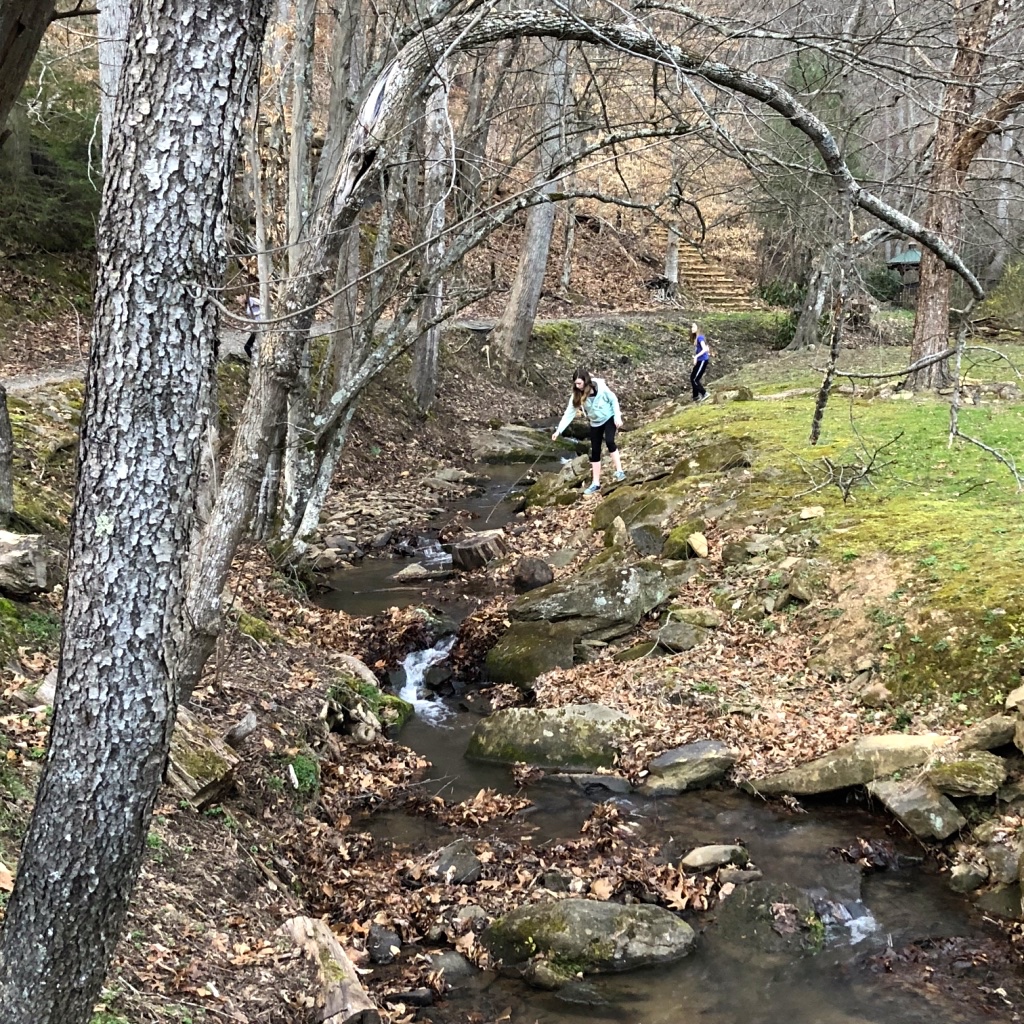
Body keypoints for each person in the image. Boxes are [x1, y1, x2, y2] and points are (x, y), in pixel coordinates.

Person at [551, 367, 625, 496]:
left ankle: (619, 471)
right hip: (595, 422)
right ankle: (595, 483)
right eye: (575, 384)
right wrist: (558, 431)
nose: (577, 386)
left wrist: (617, 417)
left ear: (586, 381)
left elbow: (613, 400)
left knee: (609, 441)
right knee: (595, 451)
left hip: (609, 417)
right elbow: (569, 414)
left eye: (579, 383)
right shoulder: (577, 395)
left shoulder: (600, 388)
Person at [690, 322, 710, 403]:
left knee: (695, 379)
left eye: (694, 327)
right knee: (692, 377)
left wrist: (696, 357)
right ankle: (695, 396)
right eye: (692, 327)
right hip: (700, 360)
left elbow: (704, 349)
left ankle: (704, 393)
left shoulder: (700, 338)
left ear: (698, 328)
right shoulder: (697, 338)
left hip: (703, 360)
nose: (692, 328)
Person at [244, 294, 262, 360]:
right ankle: (254, 361)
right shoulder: (247, 305)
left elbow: (262, 304)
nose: (237, 300)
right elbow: (253, 322)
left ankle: (255, 361)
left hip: (260, 328)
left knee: (247, 347)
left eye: (237, 297)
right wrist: (245, 329)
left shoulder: (252, 300)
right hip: (256, 328)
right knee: (248, 347)